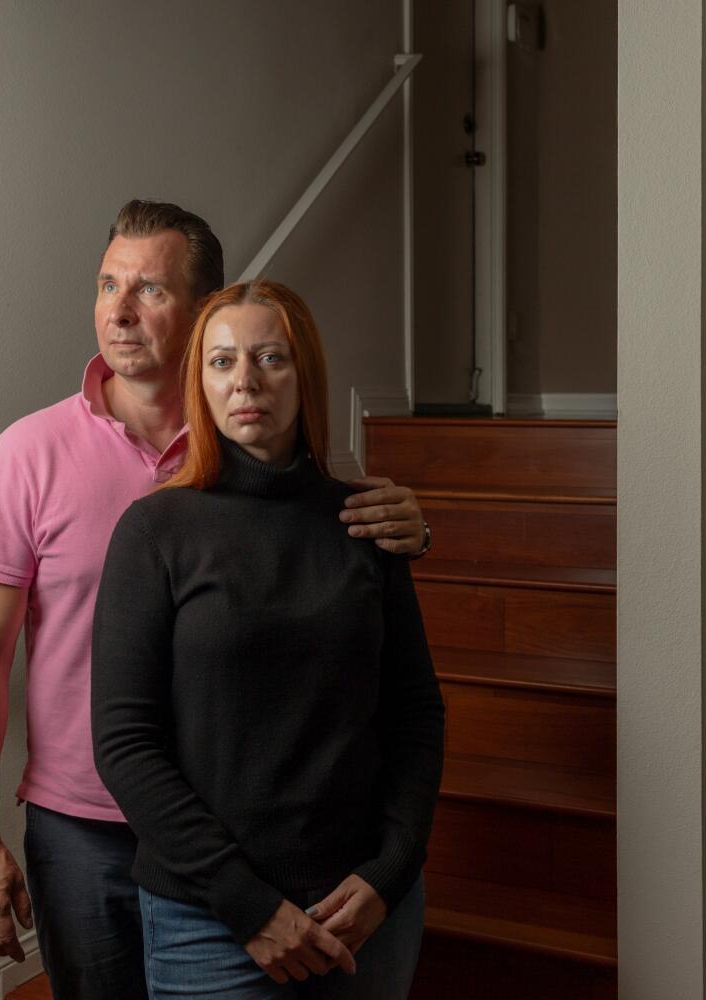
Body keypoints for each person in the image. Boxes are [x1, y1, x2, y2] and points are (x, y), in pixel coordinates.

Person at [0, 201, 429, 1000]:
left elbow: (339, 599)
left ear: (207, 315)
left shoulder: (263, 446)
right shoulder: (30, 452)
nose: (120, 310)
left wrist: (413, 528)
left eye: (150, 290)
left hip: (254, 827)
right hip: (87, 826)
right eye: (107, 285)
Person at [92, 280, 445, 999]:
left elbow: (415, 712)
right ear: (200, 381)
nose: (245, 380)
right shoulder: (156, 531)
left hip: (366, 913)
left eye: (270, 358)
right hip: (212, 923)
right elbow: (127, 744)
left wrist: (392, 869)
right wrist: (250, 906)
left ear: (304, 374)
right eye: (221, 362)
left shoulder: (365, 522)